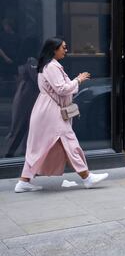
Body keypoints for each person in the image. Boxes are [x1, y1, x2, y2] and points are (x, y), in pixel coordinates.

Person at [14, 37, 108, 192]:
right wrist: (78, 80)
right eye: (63, 47)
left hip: (46, 110)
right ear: (54, 49)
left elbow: (60, 88)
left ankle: (24, 181)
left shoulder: (49, 66)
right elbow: (62, 89)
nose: (66, 50)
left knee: (39, 147)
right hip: (51, 112)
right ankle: (87, 177)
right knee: (69, 142)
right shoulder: (51, 67)